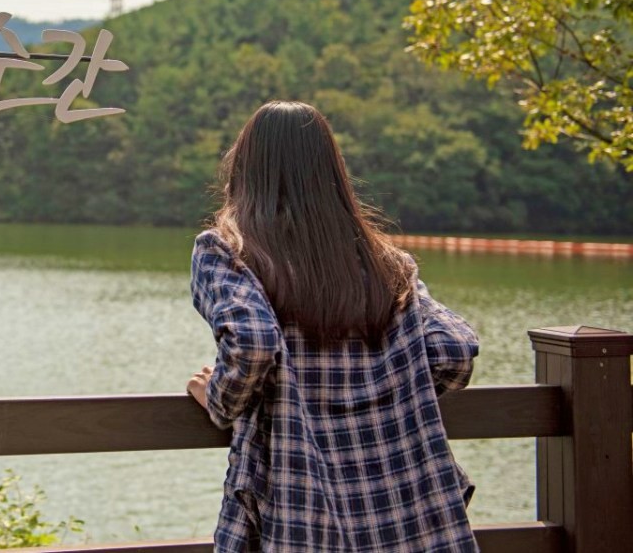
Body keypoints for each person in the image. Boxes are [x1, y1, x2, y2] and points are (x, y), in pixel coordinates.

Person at [186, 101, 479, 552]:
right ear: (333, 175)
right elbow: (455, 351)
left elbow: (255, 343)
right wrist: (382, 399)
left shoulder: (227, 250)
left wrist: (221, 402)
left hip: (300, 507)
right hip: (407, 514)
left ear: (245, 170)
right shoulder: (386, 262)